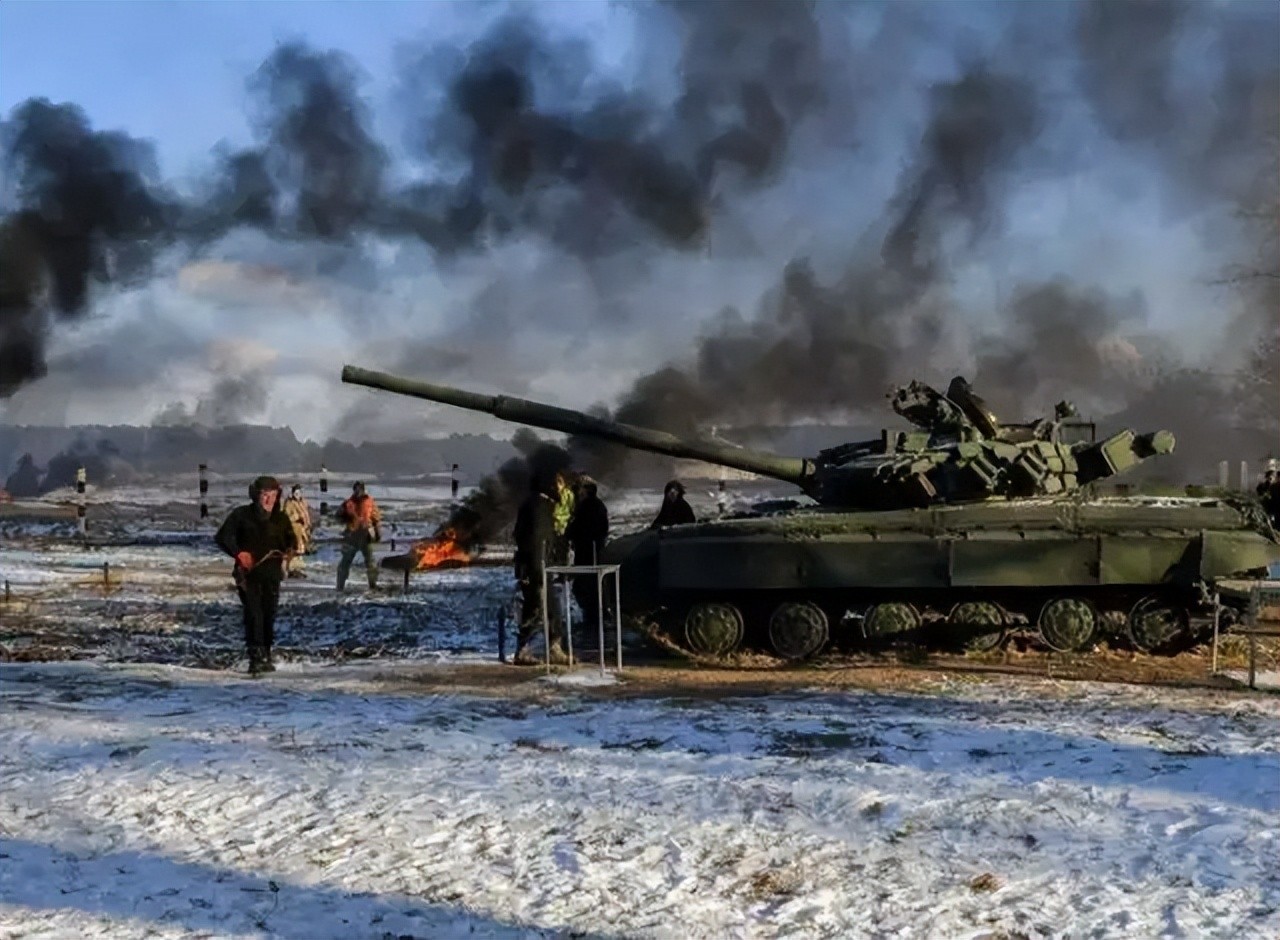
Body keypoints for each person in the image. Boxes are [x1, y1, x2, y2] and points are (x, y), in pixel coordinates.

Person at [215, 475, 299, 676]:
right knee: (254, 615)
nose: (268, 499)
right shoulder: (241, 515)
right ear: (255, 495)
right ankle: (255, 658)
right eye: (264, 494)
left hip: (272, 575)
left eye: (272, 494)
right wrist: (238, 553)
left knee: (269, 616)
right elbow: (222, 537)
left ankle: (266, 655)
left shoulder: (281, 519)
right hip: (248, 575)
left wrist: (290, 550)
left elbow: (291, 541)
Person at [512, 474, 568, 665]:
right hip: (537, 568)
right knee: (535, 608)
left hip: (540, 566)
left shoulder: (537, 505)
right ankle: (524, 650)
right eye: (558, 484)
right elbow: (537, 540)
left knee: (550, 608)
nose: (561, 489)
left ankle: (553, 647)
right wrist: (539, 568)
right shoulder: (538, 507)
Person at [566, 478, 610, 640]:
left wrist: (568, 534)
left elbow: (575, 528)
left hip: (585, 553)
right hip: (596, 552)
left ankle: (592, 620)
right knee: (594, 586)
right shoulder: (600, 506)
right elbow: (604, 529)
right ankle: (597, 617)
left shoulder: (584, 508)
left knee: (583, 587)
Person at [336, 481, 381, 591]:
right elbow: (338, 516)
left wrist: (378, 533)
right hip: (352, 536)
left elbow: (376, 518)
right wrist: (345, 518)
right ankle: (340, 585)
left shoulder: (369, 502)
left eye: (360, 489)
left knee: (370, 562)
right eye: (356, 489)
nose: (358, 491)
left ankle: (373, 584)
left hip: (366, 535)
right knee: (345, 561)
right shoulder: (348, 503)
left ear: (363, 490)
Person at [283, 484, 312, 578]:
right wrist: (297, 517)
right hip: (294, 529)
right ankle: (290, 568)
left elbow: (306, 514)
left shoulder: (303, 502)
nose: (297, 495)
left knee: (302, 549)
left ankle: (296, 568)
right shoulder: (289, 503)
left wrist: (308, 525)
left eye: (299, 493)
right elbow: (286, 517)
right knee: (294, 549)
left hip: (303, 529)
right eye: (296, 493)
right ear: (293, 493)